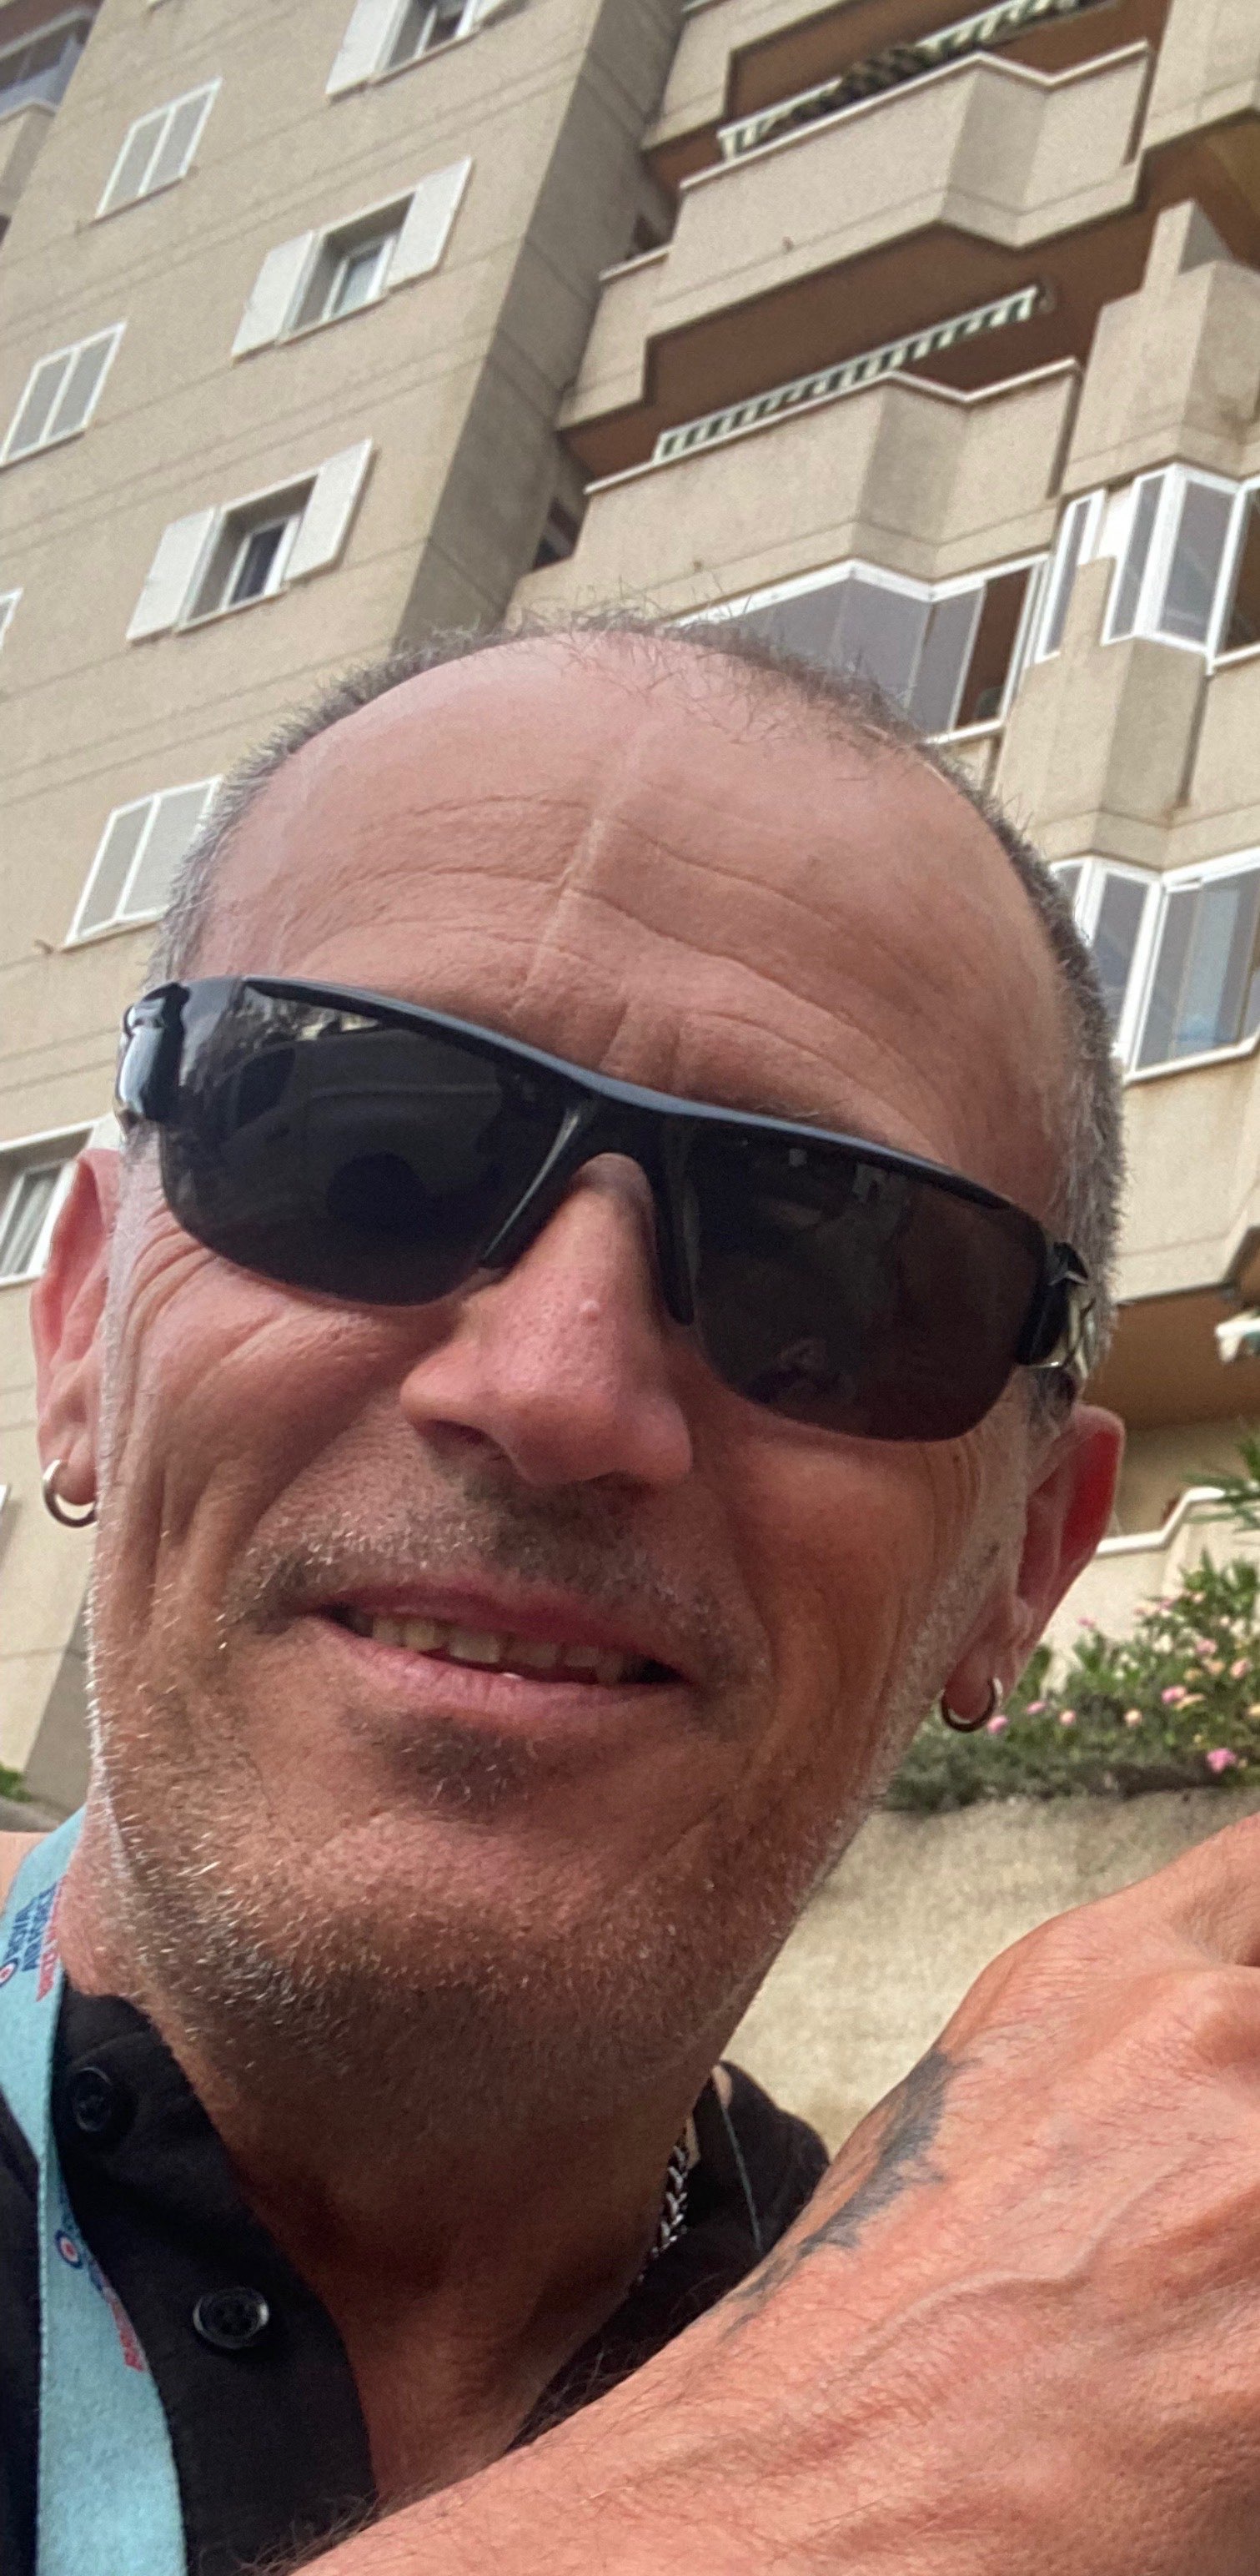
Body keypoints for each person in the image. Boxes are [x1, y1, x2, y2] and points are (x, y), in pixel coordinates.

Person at [6, 617, 1251, 2576]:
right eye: (363, 1148)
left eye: (830, 1267)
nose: (555, 1388)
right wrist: (841, 2485)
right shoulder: (1004, 2434)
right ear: (83, 1324)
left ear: (1025, 1559)